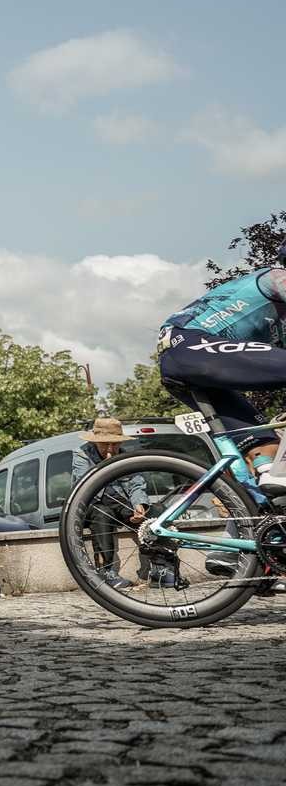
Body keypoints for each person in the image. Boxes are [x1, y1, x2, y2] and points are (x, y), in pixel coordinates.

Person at [157, 246, 286, 484]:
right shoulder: (276, 278)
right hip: (189, 345)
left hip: (190, 363)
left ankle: (263, 504)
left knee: (266, 445)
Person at [69, 417, 148, 589]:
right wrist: (107, 466)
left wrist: (139, 505)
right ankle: (106, 571)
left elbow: (136, 483)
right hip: (91, 504)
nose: (110, 449)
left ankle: (161, 567)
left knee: (154, 513)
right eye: (105, 444)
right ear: (96, 442)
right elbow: (86, 487)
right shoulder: (81, 454)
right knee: (103, 512)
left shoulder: (125, 456)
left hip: (120, 503)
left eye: (115, 444)